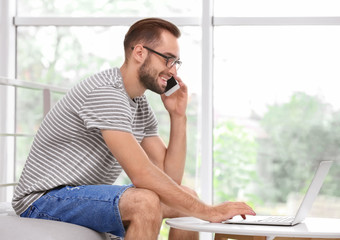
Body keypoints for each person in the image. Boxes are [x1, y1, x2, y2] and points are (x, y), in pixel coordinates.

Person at [12, 18, 255, 240]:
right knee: (143, 201)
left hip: (73, 195)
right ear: (139, 52)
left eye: (176, 62)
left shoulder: (138, 104)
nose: (173, 71)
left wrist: (178, 116)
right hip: (42, 199)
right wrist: (209, 211)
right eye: (167, 59)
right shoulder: (106, 92)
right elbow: (141, 173)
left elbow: (170, 178)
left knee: (185, 195)